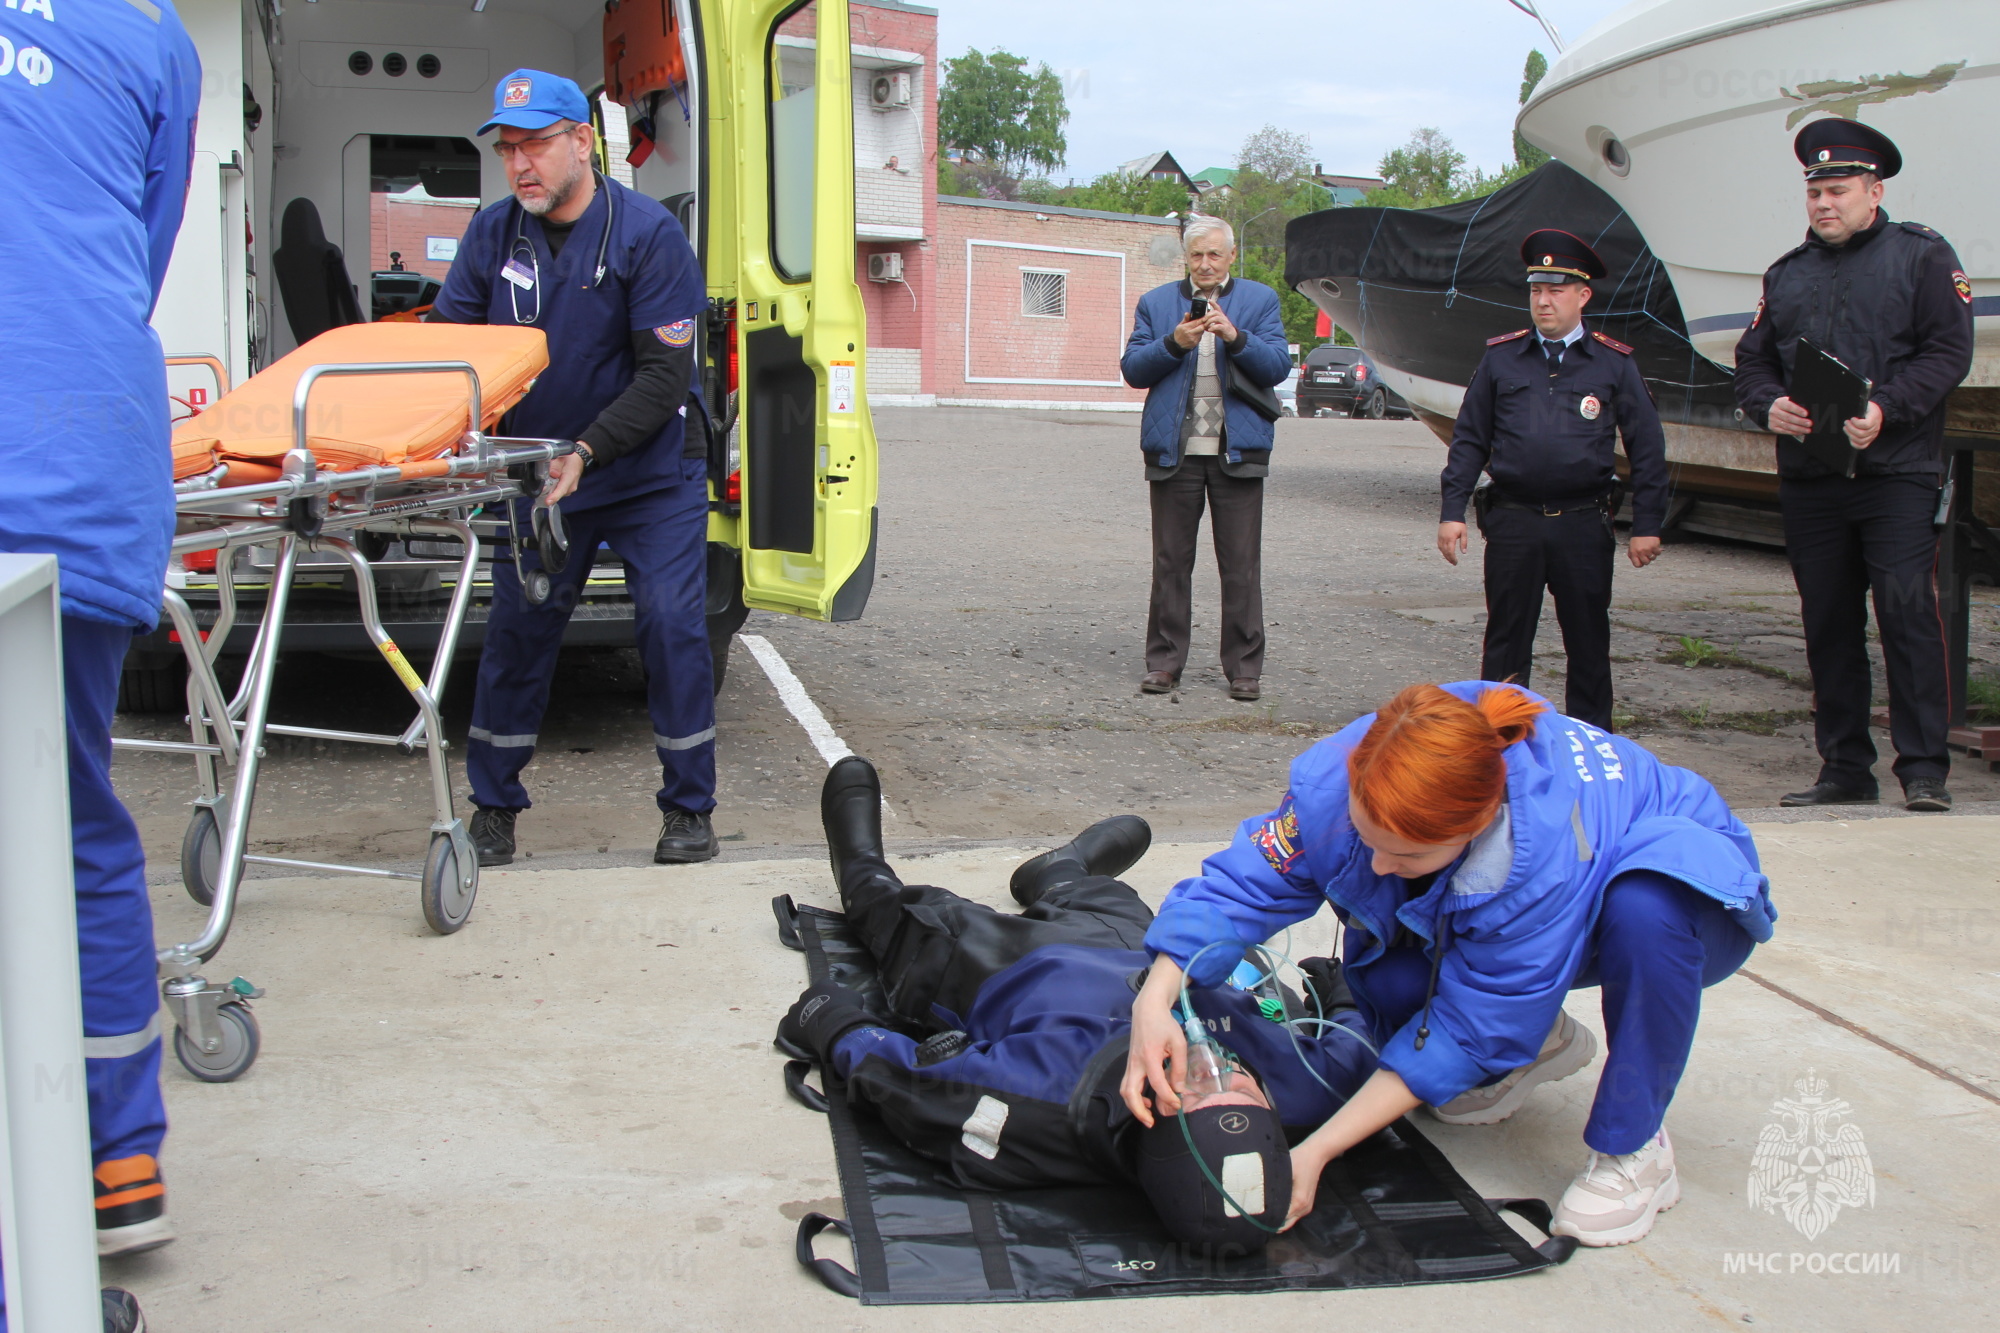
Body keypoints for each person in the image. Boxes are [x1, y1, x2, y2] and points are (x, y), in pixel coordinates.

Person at [1122, 682, 1777, 1247]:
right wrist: (1155, 1000)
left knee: (1644, 910)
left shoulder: (1537, 854)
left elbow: (1470, 1021)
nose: (1379, 865)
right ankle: (1538, 1039)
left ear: (1476, 827)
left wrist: (1314, 1152)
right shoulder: (1355, 773)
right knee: (1392, 974)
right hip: (1539, 898)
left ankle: (1634, 1146)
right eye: (1367, 839)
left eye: (1404, 855)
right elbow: (1245, 883)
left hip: (1690, 899)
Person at [777, 758, 1378, 1251]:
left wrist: (832, 1022)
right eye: (1245, 1088)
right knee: (1112, 904)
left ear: (1151, 1116)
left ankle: (863, 867)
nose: (1216, 1063)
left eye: (1194, 1086)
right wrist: (1336, 983)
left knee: (895, 916)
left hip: (1004, 971)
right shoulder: (1304, 1090)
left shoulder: (1034, 1101)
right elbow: (1359, 1048)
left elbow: (901, 1081)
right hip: (1142, 958)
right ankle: (1061, 873)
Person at [0, 1, 201, 1326]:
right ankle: (116, 1152)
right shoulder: (151, 35)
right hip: (87, 448)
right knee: (72, 818)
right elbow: (134, 250)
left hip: (42, 432)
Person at [428, 70, 719, 865]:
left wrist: (586, 452)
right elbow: (451, 354)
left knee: (669, 623)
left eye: (536, 144)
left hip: (646, 474)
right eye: (508, 148)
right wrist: (439, 439)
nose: (520, 163)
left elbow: (663, 379)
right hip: (539, 476)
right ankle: (493, 809)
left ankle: (689, 809)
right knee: (518, 634)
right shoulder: (492, 236)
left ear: (583, 143)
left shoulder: (649, 234)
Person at [1733, 118, 1975, 813]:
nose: (1823, 204)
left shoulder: (1921, 257)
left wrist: (1887, 408)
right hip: (1813, 478)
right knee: (1828, 623)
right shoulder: (1786, 274)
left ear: (1874, 190)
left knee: (1905, 617)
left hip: (1895, 473)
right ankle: (1845, 766)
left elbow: (1947, 351)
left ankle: (1924, 768)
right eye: (1815, 193)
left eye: (1837, 191)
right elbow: (1754, 361)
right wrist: (1767, 404)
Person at [1437, 231, 1670, 731]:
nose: (1543, 301)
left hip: (1583, 524)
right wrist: (1451, 511)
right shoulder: (1502, 359)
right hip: (1515, 522)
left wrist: (1648, 524)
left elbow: (1648, 448)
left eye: (1556, 290)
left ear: (1583, 296)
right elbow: (1470, 441)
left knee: (1588, 642)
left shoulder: (1612, 362)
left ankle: (1592, 748)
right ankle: (1499, 749)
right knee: (1505, 644)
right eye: (1536, 290)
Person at [1120, 218, 1291, 703]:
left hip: (1239, 451)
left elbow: (1277, 366)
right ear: (1186, 257)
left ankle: (1243, 668)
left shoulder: (1259, 301)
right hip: (1174, 452)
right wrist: (1176, 342)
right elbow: (1133, 369)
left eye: (1215, 255)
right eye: (1196, 255)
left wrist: (1236, 337)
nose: (1205, 264)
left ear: (1231, 257)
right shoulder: (1156, 304)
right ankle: (1164, 662)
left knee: (1240, 565)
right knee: (1171, 562)